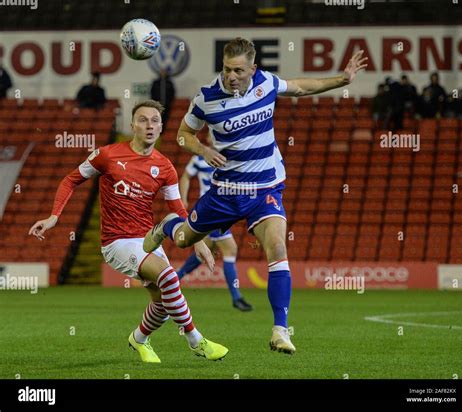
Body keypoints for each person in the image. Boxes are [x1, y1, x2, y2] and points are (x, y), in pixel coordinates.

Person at [143, 38, 367, 355]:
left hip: (265, 188)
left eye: (238, 70)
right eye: (226, 69)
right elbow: (183, 134)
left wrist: (342, 79)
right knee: (183, 240)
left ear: (253, 69)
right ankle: (166, 225)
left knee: (276, 245)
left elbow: (302, 87)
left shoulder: (267, 83)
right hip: (225, 192)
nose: (231, 76)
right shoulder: (207, 97)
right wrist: (203, 149)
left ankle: (280, 331)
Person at [28, 100, 228, 363]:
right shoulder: (107, 155)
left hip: (146, 239)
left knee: (164, 304)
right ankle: (196, 341)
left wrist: (197, 242)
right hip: (116, 241)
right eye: (143, 120)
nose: (149, 125)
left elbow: (178, 208)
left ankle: (139, 339)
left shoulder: (164, 166)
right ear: (132, 125)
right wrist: (54, 217)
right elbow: (70, 179)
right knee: (169, 277)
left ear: (161, 128)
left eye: (154, 120)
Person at [178, 136, 253, 312]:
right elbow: (185, 177)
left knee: (207, 249)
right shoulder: (199, 157)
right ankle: (236, 297)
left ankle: (173, 278)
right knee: (230, 249)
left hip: (223, 210)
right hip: (211, 210)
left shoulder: (229, 157)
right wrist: (183, 200)